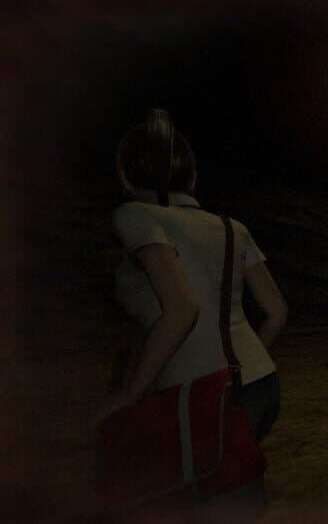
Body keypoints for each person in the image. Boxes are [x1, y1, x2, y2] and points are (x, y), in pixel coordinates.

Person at [97, 110, 288, 515]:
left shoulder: (135, 215)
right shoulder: (233, 227)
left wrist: (131, 393)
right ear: (191, 176)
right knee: (231, 490)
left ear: (126, 175)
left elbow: (183, 309)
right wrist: (243, 367)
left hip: (198, 396)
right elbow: (276, 312)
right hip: (260, 385)